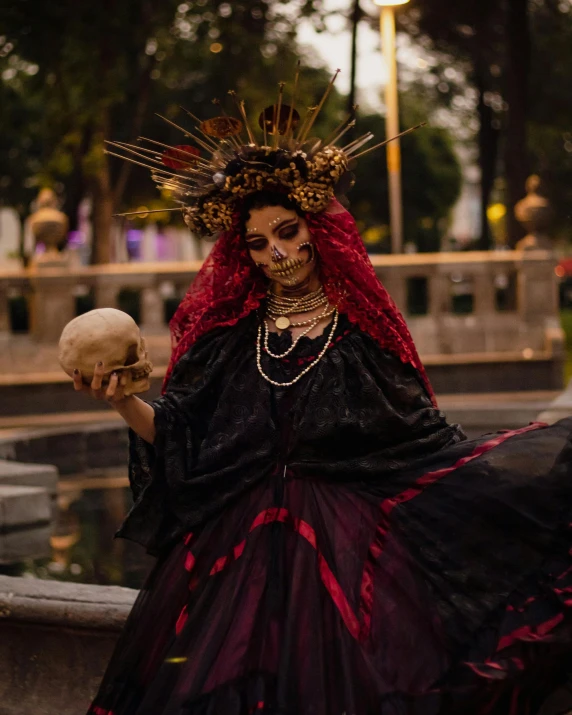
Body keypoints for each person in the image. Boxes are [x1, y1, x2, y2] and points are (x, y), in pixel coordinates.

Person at [77, 78, 572, 714]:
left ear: (317, 229)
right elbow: (181, 439)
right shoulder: (228, 337)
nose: (277, 253)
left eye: (286, 232)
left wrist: (506, 483)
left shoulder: (360, 330)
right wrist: (122, 400)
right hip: (239, 548)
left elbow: (417, 440)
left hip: (345, 544)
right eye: (257, 243)